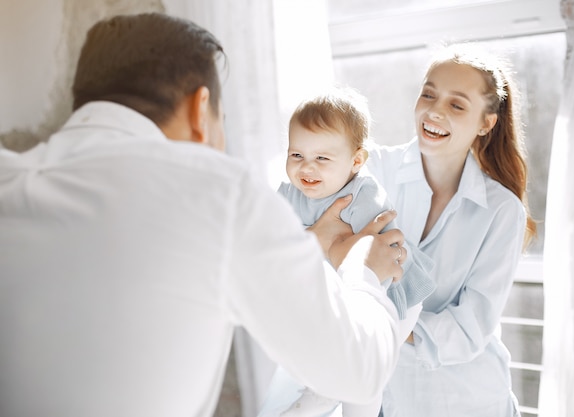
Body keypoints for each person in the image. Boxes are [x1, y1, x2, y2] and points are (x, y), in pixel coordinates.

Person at [0, 13, 408, 417]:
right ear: (201, 109)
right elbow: (359, 371)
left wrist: (312, 242)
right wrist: (362, 267)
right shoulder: (223, 197)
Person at [313, 44, 537, 417]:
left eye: (457, 104)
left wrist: (381, 322)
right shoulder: (368, 170)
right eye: (428, 94)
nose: (434, 111)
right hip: (385, 396)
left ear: (486, 123)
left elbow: (471, 327)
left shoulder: (501, 211)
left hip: (469, 400)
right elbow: (308, 241)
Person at [273, 88, 435, 417]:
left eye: (322, 158)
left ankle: (343, 400)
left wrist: (311, 243)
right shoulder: (287, 195)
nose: (307, 167)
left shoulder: (363, 196)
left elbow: (374, 256)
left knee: (365, 366)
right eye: (296, 155)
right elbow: (274, 243)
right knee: (335, 355)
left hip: (394, 295)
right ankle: (325, 390)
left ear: (356, 161)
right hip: (341, 291)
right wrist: (312, 239)